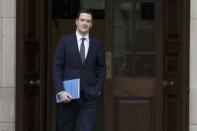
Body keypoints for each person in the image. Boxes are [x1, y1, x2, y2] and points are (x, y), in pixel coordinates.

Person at [53, 10, 106, 131]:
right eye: (82, 20)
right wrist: (60, 91)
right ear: (76, 22)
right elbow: (57, 68)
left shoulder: (97, 44)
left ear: (91, 24)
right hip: (68, 96)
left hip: (89, 97)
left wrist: (97, 89)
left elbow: (101, 69)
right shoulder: (65, 41)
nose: (85, 23)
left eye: (88, 21)